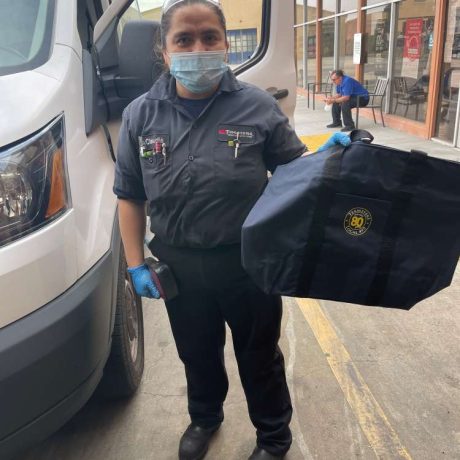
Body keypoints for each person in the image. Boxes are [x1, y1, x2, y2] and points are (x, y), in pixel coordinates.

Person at [113, 1, 349, 459]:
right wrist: (136, 265)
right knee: (196, 352)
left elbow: (292, 170)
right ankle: (205, 417)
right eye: (184, 39)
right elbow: (130, 195)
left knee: (259, 355)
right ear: (164, 51)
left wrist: (326, 156)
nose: (198, 48)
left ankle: (274, 437)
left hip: (248, 262)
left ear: (225, 45)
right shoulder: (140, 116)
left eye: (209, 38)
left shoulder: (256, 106)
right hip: (180, 264)